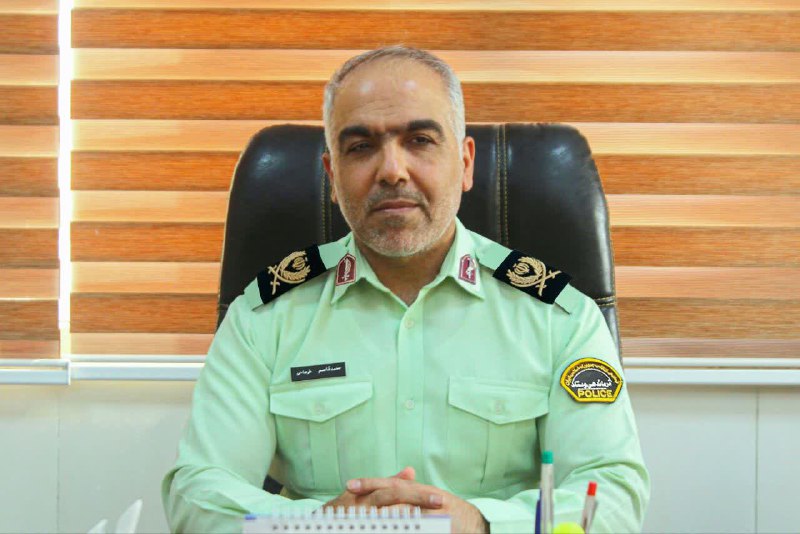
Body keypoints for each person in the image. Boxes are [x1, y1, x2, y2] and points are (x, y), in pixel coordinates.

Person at [162, 46, 649, 533]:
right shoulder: (263, 318)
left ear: (465, 163)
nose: (392, 170)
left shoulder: (558, 317)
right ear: (332, 176)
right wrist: (320, 525)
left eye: (419, 141)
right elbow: (198, 492)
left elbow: (613, 493)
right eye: (361, 147)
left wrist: (482, 525)